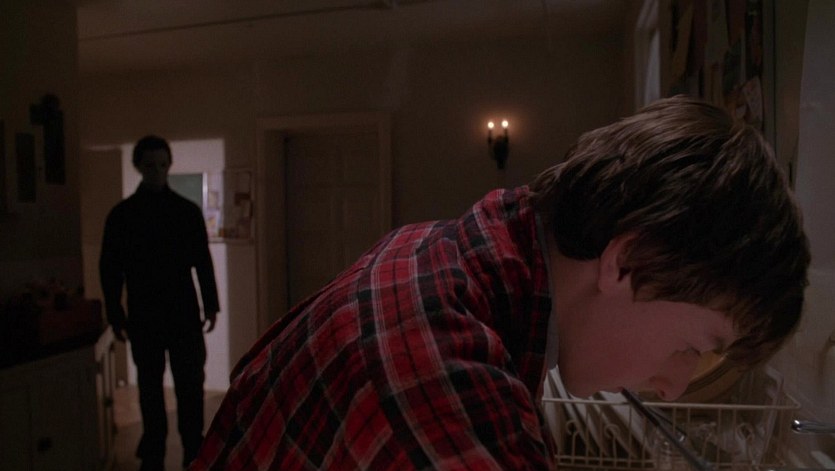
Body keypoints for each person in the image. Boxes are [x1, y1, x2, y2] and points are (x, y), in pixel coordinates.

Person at [190, 96, 809, 470]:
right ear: (629, 262)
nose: (673, 387)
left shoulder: (435, 246)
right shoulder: (448, 381)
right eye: (693, 348)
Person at [100, 135, 220, 471]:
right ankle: (155, 448)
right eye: (150, 165)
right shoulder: (123, 216)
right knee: (151, 386)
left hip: (180, 313)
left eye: (162, 164)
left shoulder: (184, 212)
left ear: (169, 166)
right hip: (147, 315)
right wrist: (115, 313)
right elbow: (110, 270)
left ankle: (192, 448)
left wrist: (210, 304)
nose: (157, 171)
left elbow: (202, 262)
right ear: (138, 166)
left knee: (189, 385)